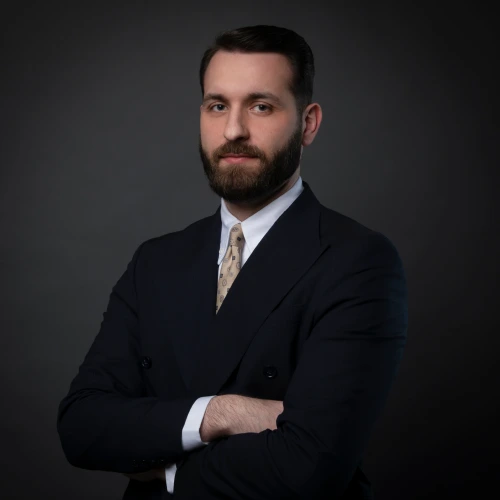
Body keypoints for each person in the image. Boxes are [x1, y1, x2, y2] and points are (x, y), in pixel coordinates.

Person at [57, 25, 408, 499]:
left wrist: (165, 470)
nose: (233, 130)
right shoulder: (156, 262)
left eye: (261, 106)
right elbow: (81, 427)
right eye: (217, 105)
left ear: (308, 124)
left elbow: (309, 468)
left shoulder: (357, 262)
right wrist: (222, 413)